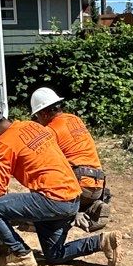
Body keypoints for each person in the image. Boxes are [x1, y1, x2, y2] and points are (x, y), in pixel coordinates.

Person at [0, 104, 121, 266]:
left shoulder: (4, 144)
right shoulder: (33, 126)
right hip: (72, 198)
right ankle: (102, 241)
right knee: (54, 254)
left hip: (52, 199)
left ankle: (21, 254)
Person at [29, 87, 111, 231]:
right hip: (98, 184)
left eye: (37, 116)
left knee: (41, 178)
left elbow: (47, 165)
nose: (38, 120)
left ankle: (71, 214)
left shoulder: (50, 131)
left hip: (79, 185)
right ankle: (91, 207)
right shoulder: (75, 119)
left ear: (43, 113)